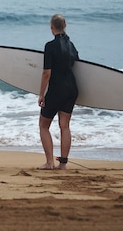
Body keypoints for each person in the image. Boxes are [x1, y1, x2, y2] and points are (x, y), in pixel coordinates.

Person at [38, 14, 79, 170]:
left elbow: (46, 73)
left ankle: (49, 163)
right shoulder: (71, 45)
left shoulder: (50, 46)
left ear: (51, 27)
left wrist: (41, 94)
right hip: (72, 89)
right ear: (65, 25)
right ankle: (63, 164)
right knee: (65, 126)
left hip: (56, 90)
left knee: (43, 126)